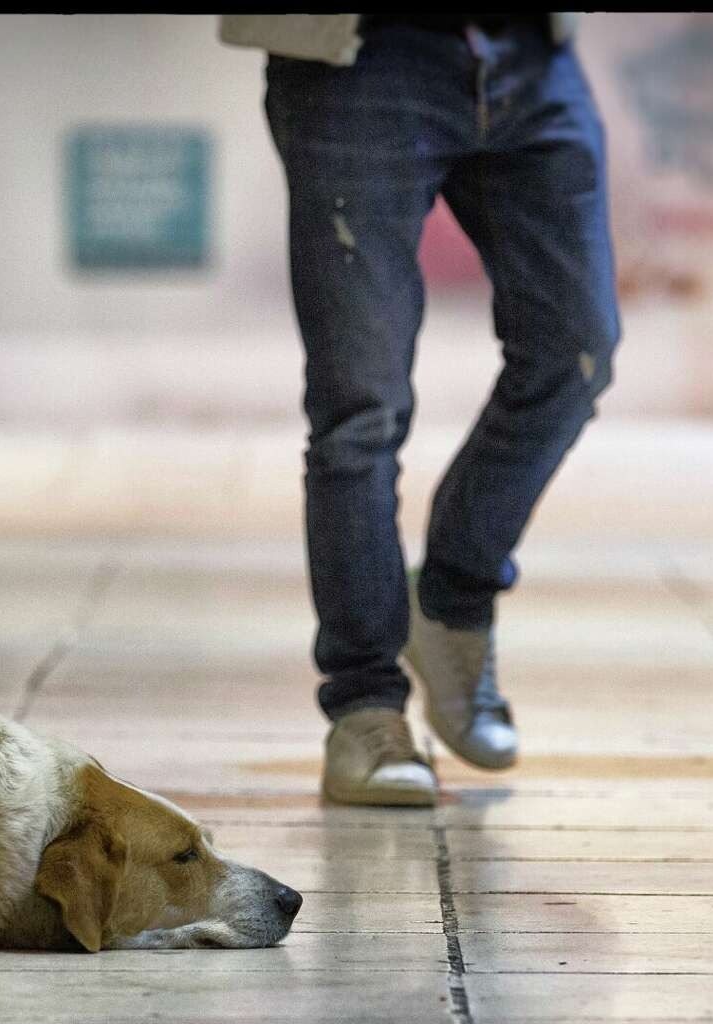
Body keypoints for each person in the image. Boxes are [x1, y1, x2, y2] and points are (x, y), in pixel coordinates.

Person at [221, 13, 620, 806]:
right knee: (360, 403)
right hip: (361, 52)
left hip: (529, 50)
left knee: (577, 351)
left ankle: (451, 597)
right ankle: (364, 706)